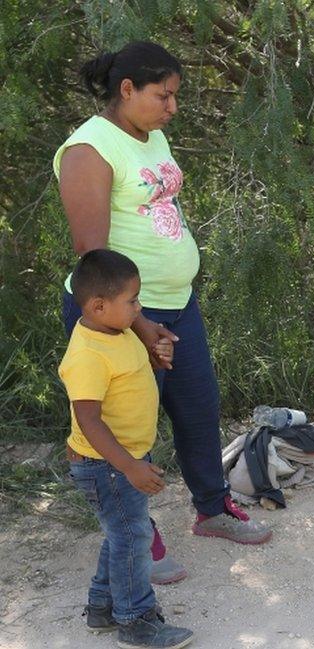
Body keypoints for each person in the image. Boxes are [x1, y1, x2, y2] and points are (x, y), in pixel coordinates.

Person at [54, 41, 271, 585]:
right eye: (163, 95)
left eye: (176, 95)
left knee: (198, 408)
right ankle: (137, 533)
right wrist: (140, 322)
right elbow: (93, 258)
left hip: (176, 304)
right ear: (126, 90)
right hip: (117, 316)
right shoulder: (89, 150)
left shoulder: (151, 135)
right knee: (128, 425)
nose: (173, 107)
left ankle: (213, 509)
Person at [60, 249, 194, 648]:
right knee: (132, 537)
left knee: (121, 534)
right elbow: (89, 420)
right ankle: (136, 621)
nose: (139, 308)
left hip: (122, 461)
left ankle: (102, 608)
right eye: (133, 301)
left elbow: (134, 373)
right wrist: (129, 467)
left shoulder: (117, 333)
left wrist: (158, 359)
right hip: (107, 464)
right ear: (99, 306)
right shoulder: (86, 354)